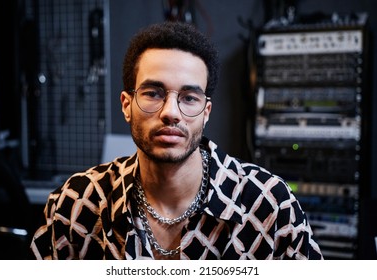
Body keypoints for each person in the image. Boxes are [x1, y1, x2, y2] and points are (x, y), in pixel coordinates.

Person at [30, 21, 323, 260]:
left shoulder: (270, 207)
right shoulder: (78, 205)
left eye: (189, 98)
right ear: (125, 105)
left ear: (206, 112)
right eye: (154, 93)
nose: (171, 113)